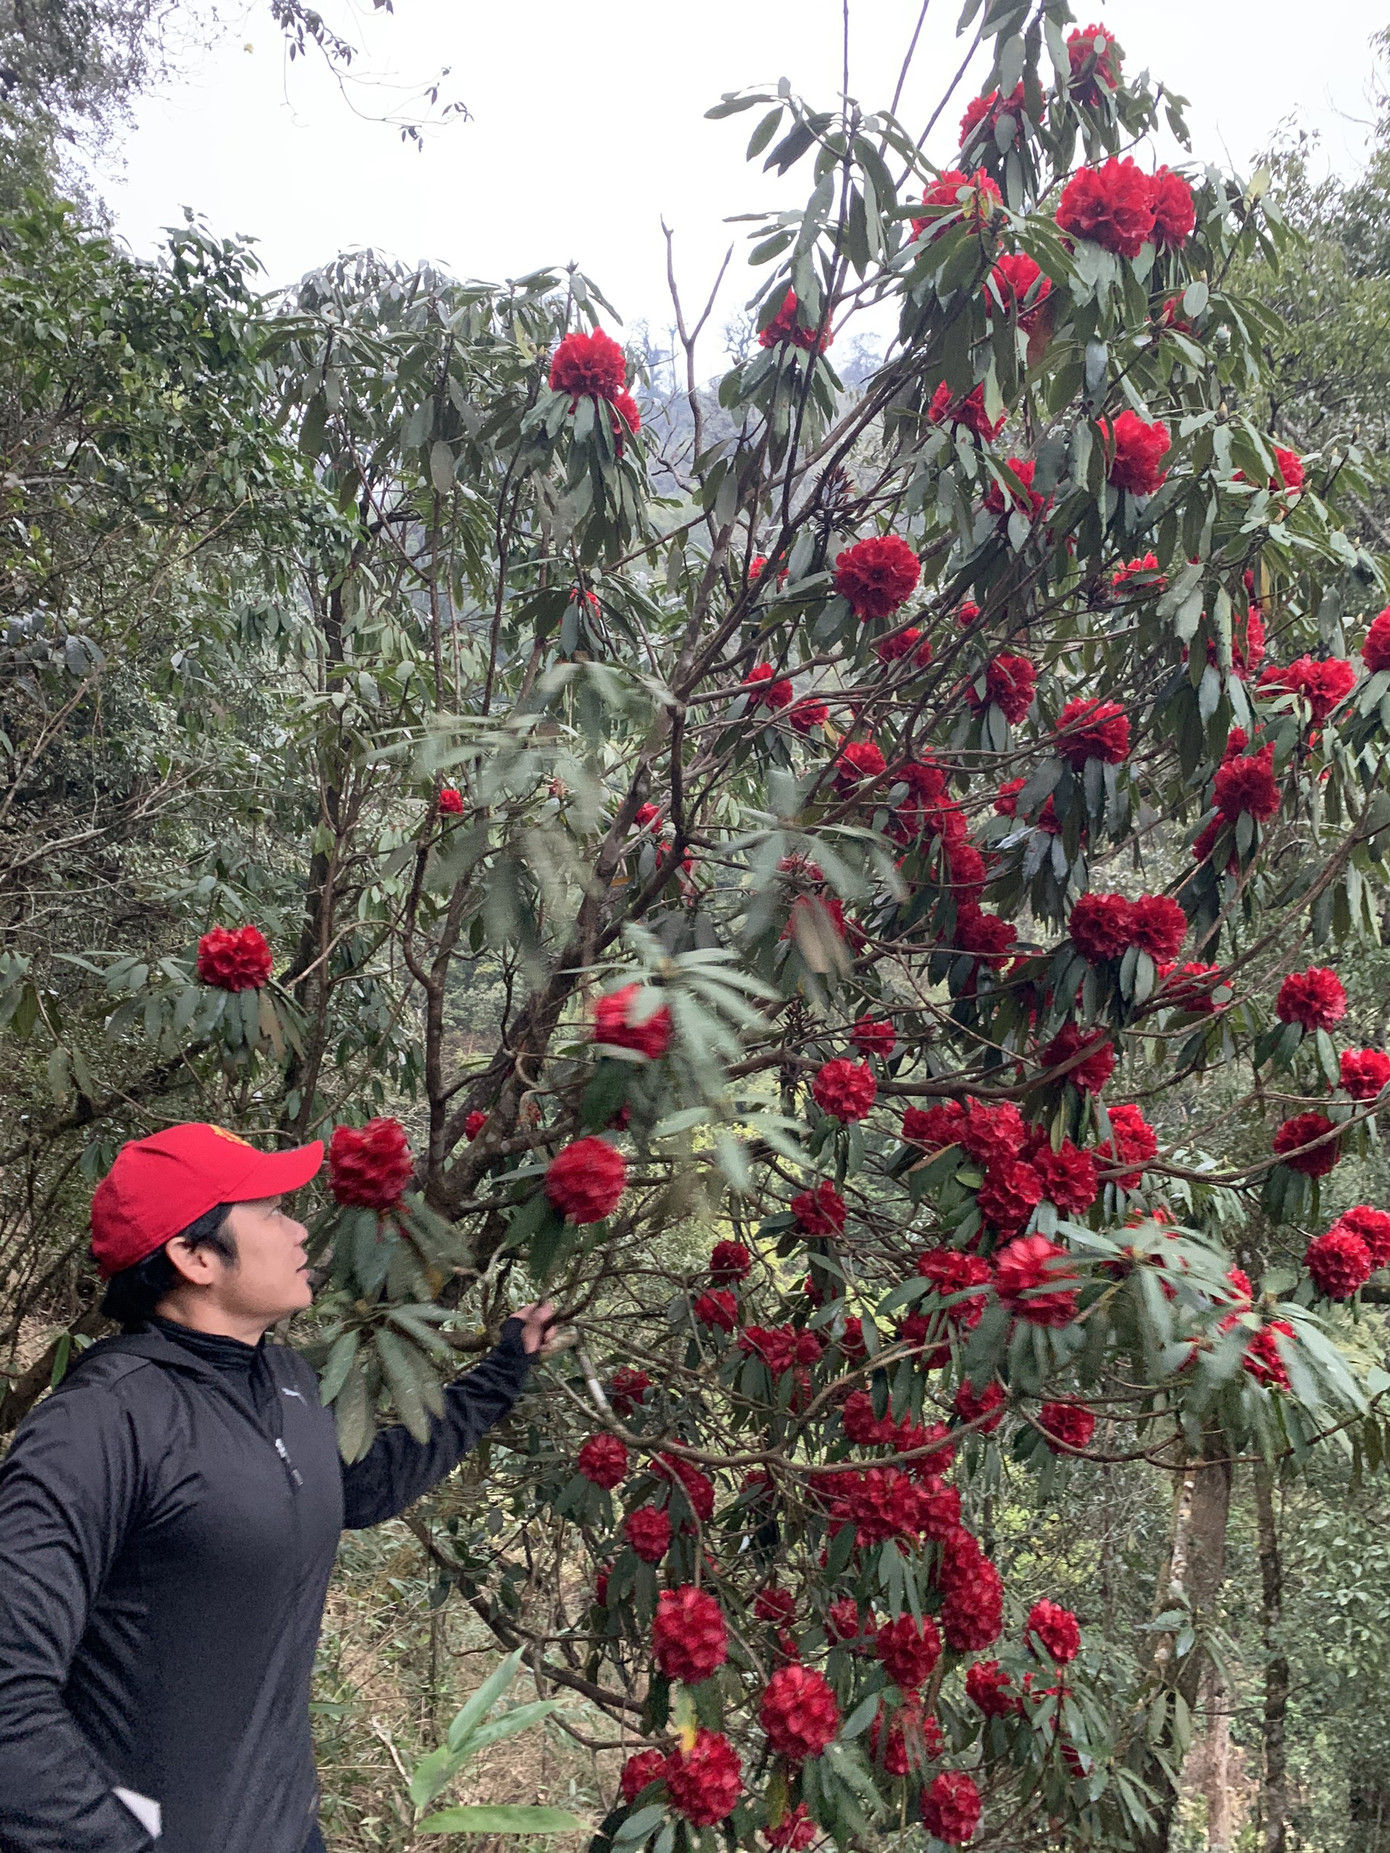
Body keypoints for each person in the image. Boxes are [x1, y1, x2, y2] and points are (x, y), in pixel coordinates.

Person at [0, 1121, 561, 1853]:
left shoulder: (288, 1382)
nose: (301, 1230)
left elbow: (365, 1487)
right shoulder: (100, 1423)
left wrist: (503, 1371)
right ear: (193, 1255)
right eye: (270, 1211)